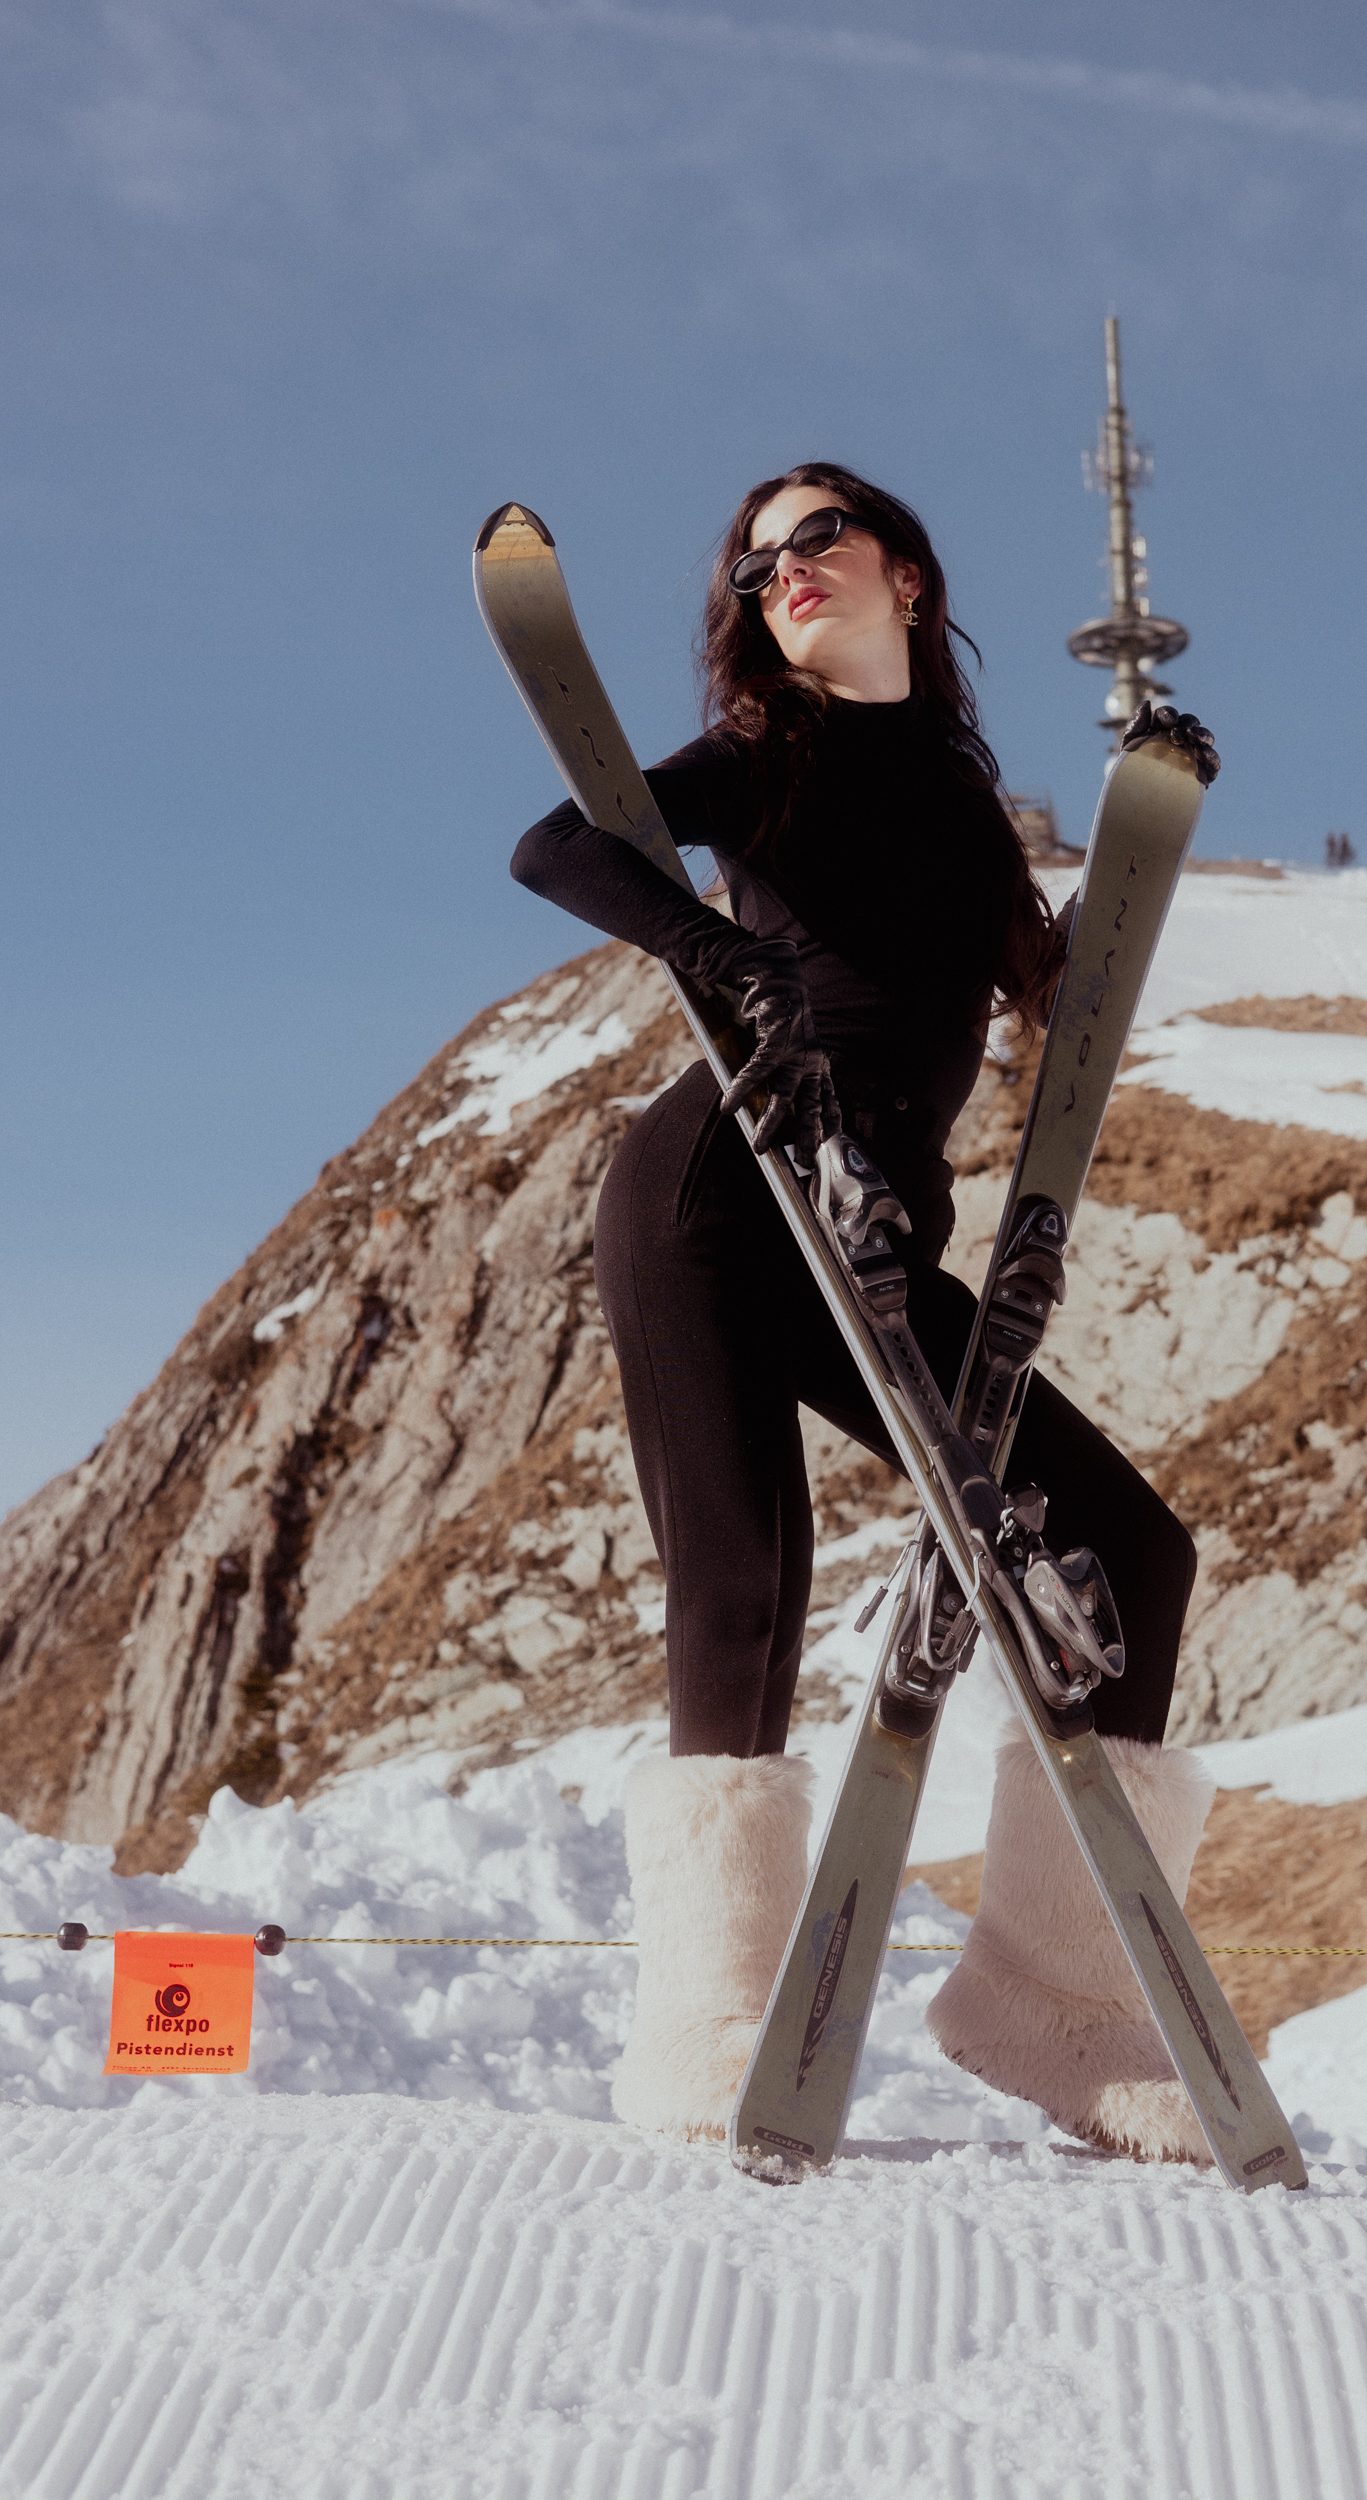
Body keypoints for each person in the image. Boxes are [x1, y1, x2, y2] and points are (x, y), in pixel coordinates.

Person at [510, 462, 1222, 2161]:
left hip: (878, 1241)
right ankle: (709, 2023)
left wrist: (1138, 839)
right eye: (756, 567)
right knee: (747, 1588)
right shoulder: (774, 756)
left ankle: (1045, 2004)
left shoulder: (968, 808)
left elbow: (1025, 986)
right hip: (716, 1196)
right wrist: (723, 957)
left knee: (1137, 1548)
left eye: (814, 536)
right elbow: (557, 845)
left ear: (904, 568)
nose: (782, 572)